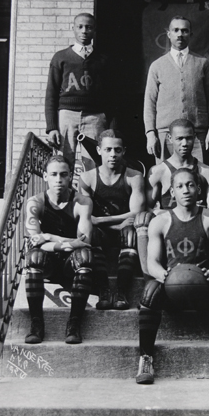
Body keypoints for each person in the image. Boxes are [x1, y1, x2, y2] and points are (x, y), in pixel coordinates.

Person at [135, 167, 209, 385]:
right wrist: (165, 276)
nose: (186, 190)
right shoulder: (161, 221)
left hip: (202, 287)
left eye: (191, 184)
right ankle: (145, 358)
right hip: (172, 288)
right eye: (180, 186)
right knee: (150, 291)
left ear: (199, 189)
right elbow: (152, 263)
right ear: (172, 192)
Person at [24, 155, 99, 345]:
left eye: (63, 175)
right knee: (34, 257)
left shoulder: (82, 202)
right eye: (54, 174)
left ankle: (74, 324)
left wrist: (48, 236)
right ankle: (36, 323)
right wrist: (66, 242)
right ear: (45, 176)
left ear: (70, 176)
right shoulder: (35, 202)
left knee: (85, 255)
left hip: (70, 264)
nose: (59, 180)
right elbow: (35, 242)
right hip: (48, 264)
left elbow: (84, 242)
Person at [135, 118, 209, 277]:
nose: (185, 143)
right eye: (179, 138)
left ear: (195, 137)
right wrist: (162, 213)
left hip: (197, 224)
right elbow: (147, 207)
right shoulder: (158, 171)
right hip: (169, 226)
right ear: (169, 138)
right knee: (143, 219)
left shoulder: (207, 172)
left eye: (188, 138)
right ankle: (151, 278)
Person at [78, 129, 145, 309]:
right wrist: (107, 223)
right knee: (90, 231)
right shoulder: (87, 178)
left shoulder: (134, 176)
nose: (112, 155)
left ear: (124, 151)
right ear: (99, 150)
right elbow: (86, 217)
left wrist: (100, 220)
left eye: (117, 150)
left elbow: (136, 212)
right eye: (108, 150)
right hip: (102, 232)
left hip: (125, 231)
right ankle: (104, 290)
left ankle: (121, 291)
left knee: (131, 232)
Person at [143, 15, 209, 163]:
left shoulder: (202, 63)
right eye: (175, 30)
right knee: (167, 178)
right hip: (166, 135)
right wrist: (150, 134)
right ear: (169, 34)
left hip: (196, 134)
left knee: (197, 178)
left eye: (184, 31)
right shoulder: (157, 66)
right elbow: (149, 103)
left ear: (190, 34)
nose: (180, 34)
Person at [45, 13, 112, 168]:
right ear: (73, 28)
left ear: (94, 30)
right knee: (62, 162)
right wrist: (52, 127)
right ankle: (64, 193)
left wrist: (111, 127)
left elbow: (111, 96)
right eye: (80, 27)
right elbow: (51, 94)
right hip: (67, 116)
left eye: (88, 27)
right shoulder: (61, 57)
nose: (84, 31)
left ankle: (88, 193)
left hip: (95, 117)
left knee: (93, 163)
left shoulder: (103, 59)